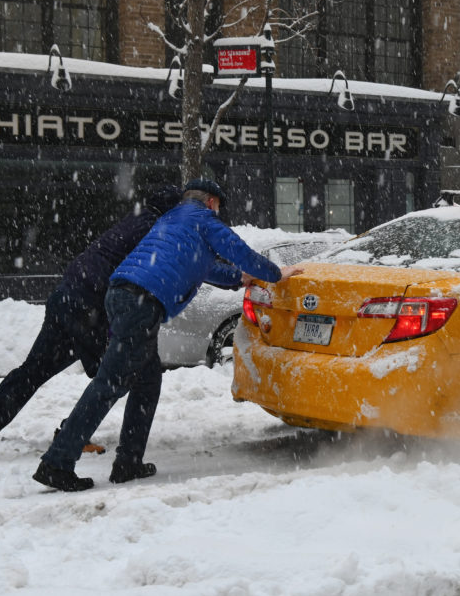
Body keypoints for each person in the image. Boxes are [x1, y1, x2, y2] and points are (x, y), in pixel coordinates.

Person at [33, 178, 303, 491]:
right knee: (109, 384)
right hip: (141, 301)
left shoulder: (172, 220)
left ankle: (129, 461)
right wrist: (275, 273)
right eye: (219, 206)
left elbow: (203, 267)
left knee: (147, 380)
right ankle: (57, 462)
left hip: (121, 293)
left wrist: (239, 278)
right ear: (212, 202)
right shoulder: (203, 220)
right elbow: (240, 251)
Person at [0, 185, 183, 444]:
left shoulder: (135, 220)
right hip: (90, 306)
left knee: (34, 369)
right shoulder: (155, 231)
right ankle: (71, 436)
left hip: (66, 295)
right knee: (114, 375)